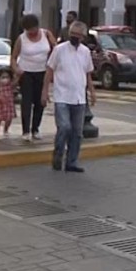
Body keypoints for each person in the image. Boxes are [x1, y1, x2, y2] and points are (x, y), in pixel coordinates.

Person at [42, 20, 96, 172]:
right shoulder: (59, 50)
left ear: (83, 37)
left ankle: (71, 162)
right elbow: (49, 70)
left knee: (77, 133)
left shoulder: (85, 52)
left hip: (79, 97)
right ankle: (58, 154)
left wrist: (92, 92)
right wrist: (45, 91)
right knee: (64, 127)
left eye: (78, 35)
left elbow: (88, 73)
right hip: (62, 96)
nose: (75, 37)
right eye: (73, 34)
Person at [11, 13, 57, 142]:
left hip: (42, 72)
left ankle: (35, 128)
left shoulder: (46, 34)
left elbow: (56, 49)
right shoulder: (21, 39)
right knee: (26, 101)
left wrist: (52, 66)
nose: (31, 32)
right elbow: (13, 58)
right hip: (26, 73)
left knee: (40, 101)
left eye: (33, 29)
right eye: (28, 30)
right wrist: (16, 69)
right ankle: (25, 130)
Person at [0, 67, 16, 137]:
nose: (5, 79)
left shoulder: (10, 85)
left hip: (8, 105)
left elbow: (16, 81)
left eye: (7, 77)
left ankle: (6, 130)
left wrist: (19, 75)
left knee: (9, 119)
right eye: (3, 77)